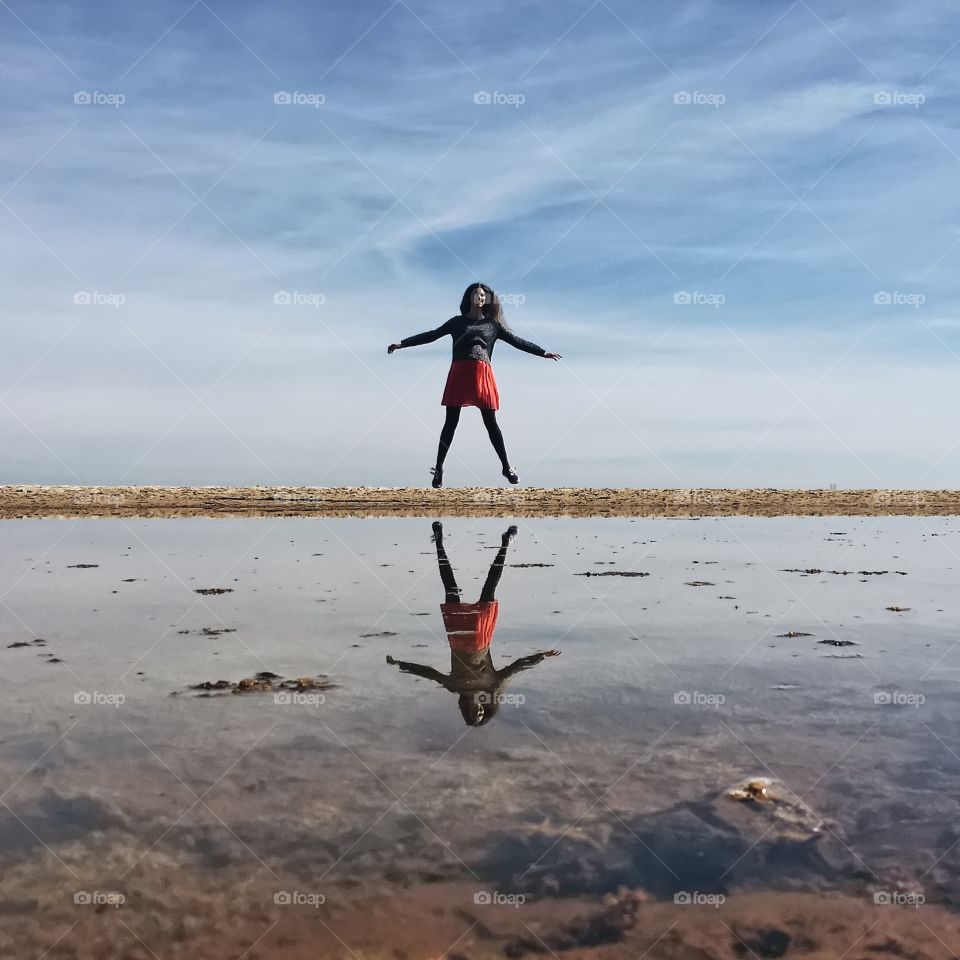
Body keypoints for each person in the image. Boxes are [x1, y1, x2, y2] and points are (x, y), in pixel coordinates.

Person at [385, 521, 560, 726]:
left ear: (464, 709)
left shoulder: (456, 686)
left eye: (472, 712)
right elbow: (517, 667)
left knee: (454, 586)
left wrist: (401, 665)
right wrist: (540, 657)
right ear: (484, 708)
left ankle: (441, 541)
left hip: (460, 635)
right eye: (480, 711)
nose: (477, 708)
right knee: (485, 586)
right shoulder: (490, 685)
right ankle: (503, 543)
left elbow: (428, 673)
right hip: (476, 637)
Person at [388, 282, 561, 487]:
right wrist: (402, 344)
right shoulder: (456, 322)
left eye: (483, 295)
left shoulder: (493, 326)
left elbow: (517, 341)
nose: (480, 297)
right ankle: (439, 469)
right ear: (469, 297)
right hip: (459, 372)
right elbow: (432, 335)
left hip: (482, 375)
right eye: (476, 294)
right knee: (450, 423)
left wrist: (542, 352)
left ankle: (506, 467)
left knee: (491, 423)